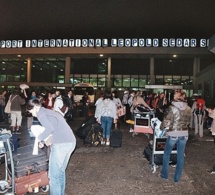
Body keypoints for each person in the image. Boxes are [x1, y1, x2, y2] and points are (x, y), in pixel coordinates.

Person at [27, 98, 76, 195]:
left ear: (36, 107)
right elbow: (54, 129)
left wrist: (39, 139)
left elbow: (49, 128)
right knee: (60, 172)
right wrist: (44, 140)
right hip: (70, 142)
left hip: (61, 144)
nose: (32, 114)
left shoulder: (41, 113)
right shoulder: (48, 112)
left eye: (31, 111)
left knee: (53, 176)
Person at [159, 90, 191, 183]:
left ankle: (164, 175)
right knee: (180, 156)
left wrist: (161, 128)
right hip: (184, 133)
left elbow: (166, 121)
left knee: (167, 154)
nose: (173, 96)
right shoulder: (188, 108)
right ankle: (177, 178)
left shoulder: (172, 107)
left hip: (173, 133)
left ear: (177, 97)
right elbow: (188, 122)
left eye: (175, 95)